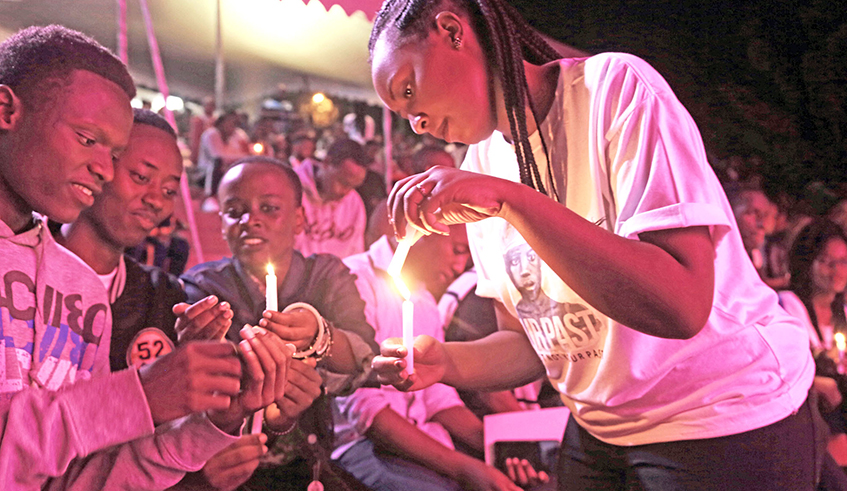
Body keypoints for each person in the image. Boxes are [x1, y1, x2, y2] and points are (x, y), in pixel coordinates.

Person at [367, 1, 817, 489]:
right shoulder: (481, 166)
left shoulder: (614, 91)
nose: (415, 122)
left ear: (452, 30)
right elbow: (530, 342)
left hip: (722, 414)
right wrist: (447, 362)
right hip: (599, 429)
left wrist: (512, 201)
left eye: (408, 89)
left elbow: (682, 305)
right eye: (402, 113)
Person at [0, 25, 286, 490]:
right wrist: (139, 396)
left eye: (114, 153)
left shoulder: (81, 290)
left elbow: (74, 478)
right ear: (7, 109)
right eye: (88, 139)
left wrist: (206, 428)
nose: (103, 168)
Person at [180, 157, 378, 490]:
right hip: (229, 469)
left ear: (299, 219)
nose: (250, 220)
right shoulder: (204, 290)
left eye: (269, 208)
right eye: (234, 211)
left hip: (311, 464)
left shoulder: (325, 277)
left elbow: (365, 362)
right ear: (222, 223)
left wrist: (320, 335)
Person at [335, 226, 541, 491]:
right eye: (457, 250)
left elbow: (438, 400)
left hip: (426, 441)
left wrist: (502, 450)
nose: (458, 267)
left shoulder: (424, 301)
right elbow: (368, 413)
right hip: (364, 448)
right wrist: (466, 468)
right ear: (423, 230)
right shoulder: (353, 280)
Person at [56, 108, 233, 372]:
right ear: (99, 165)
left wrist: (185, 361)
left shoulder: (163, 300)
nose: (155, 200)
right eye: (141, 177)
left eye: (169, 190)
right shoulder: (18, 272)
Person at [778, 219, 847, 490]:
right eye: (828, 262)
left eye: (843, 261)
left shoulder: (842, 310)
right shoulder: (787, 305)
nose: (837, 271)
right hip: (811, 423)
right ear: (807, 263)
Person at [295, 138, 369, 258]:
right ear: (326, 163)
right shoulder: (292, 192)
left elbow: (355, 253)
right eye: (343, 183)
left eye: (353, 186)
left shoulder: (354, 202)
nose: (346, 192)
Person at [197, 110, 250, 212]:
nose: (233, 126)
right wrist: (238, 157)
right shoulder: (211, 134)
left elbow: (245, 154)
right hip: (206, 174)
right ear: (221, 123)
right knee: (218, 162)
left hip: (227, 171)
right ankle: (210, 197)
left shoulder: (236, 136)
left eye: (235, 123)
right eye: (230, 122)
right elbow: (218, 155)